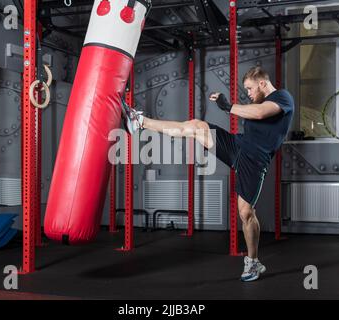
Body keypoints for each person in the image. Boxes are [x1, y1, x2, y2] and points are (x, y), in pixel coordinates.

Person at [120, 66, 294, 282]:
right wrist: (229, 107)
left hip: (255, 161)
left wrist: (227, 106)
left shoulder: (283, 97)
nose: (248, 94)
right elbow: (253, 113)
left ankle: (253, 262)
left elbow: (260, 113)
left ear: (262, 83)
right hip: (237, 145)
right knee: (195, 126)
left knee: (246, 213)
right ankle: (139, 122)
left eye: (249, 89)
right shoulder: (256, 102)